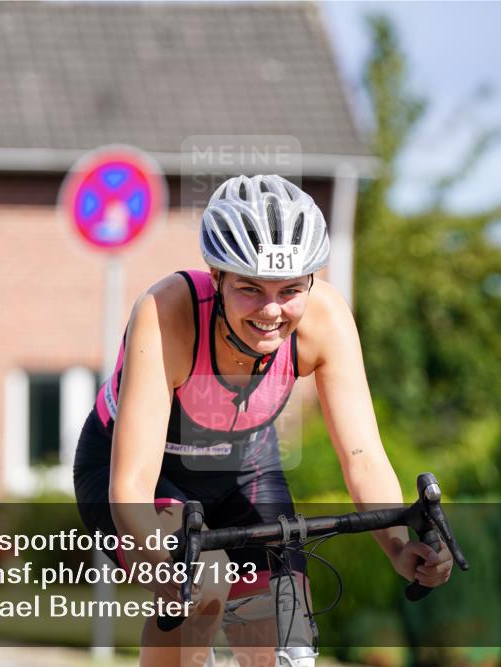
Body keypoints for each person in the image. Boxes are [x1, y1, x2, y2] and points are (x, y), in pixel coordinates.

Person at [74, 174, 453, 667]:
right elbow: (131, 489)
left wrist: (400, 547)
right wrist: (169, 574)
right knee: (203, 582)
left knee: (285, 637)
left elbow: (362, 457)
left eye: (290, 289)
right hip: (139, 472)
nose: (272, 310)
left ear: (312, 282)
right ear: (217, 278)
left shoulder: (326, 319)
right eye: (250, 289)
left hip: (243, 467)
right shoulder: (168, 312)